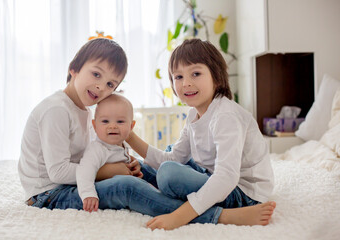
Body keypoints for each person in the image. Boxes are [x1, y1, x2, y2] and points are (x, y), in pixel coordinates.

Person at [126, 38, 276, 230]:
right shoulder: (193, 115)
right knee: (144, 167)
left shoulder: (225, 115)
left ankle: (226, 215)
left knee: (168, 174)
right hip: (213, 176)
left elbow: (226, 177)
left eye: (195, 73)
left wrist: (178, 217)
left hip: (244, 192)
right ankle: (213, 209)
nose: (186, 83)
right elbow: (173, 158)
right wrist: (129, 137)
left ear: (217, 76)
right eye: (178, 77)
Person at [18, 37, 142, 209]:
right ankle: (181, 211)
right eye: (96, 74)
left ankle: (183, 194)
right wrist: (108, 171)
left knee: (141, 168)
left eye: (110, 84)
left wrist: (123, 162)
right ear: (74, 69)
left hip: (75, 183)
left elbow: (92, 154)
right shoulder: (56, 109)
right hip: (47, 194)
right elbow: (58, 173)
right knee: (126, 188)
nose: (100, 87)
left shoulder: (86, 111)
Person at [76, 93, 140, 212]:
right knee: (134, 188)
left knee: (146, 169)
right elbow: (84, 172)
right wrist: (89, 194)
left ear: (131, 126)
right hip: (104, 189)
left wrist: (133, 168)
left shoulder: (122, 144)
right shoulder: (97, 149)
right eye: (105, 121)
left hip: (123, 185)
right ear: (94, 125)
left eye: (120, 121)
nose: (112, 126)